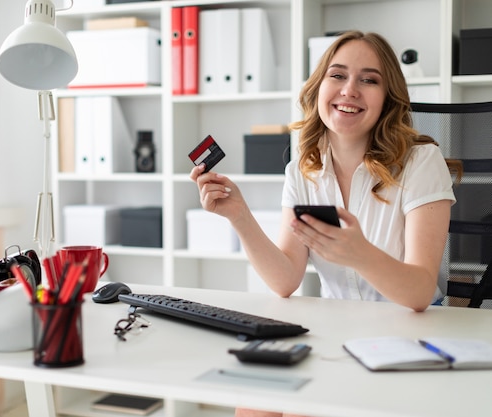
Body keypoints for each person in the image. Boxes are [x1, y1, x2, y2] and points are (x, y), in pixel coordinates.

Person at [190, 31, 462, 417]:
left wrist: (360, 254)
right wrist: (239, 216)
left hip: (409, 332)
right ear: (319, 88)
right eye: (338, 75)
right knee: (254, 401)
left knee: (305, 409)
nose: (350, 89)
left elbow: (419, 291)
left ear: (387, 98)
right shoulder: (304, 166)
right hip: (338, 329)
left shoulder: (421, 162)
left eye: (369, 80)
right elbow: (286, 279)